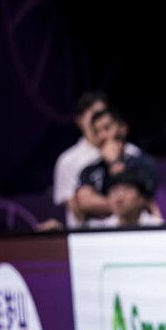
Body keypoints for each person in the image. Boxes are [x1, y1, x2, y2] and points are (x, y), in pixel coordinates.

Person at [52, 92, 140, 228]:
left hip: (130, 231)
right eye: (94, 116)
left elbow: (144, 198)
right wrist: (125, 204)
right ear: (80, 121)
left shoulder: (132, 152)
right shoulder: (68, 161)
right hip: (88, 235)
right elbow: (79, 209)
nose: (98, 121)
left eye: (103, 114)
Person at [76, 109, 159, 223]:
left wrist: (114, 162)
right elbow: (84, 202)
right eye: (97, 131)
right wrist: (124, 204)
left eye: (106, 128)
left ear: (122, 128)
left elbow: (144, 199)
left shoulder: (142, 165)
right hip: (99, 230)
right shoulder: (88, 170)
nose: (102, 135)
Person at [88, 168, 163, 228]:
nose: (120, 196)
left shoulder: (157, 227)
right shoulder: (99, 229)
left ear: (142, 199)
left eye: (127, 189)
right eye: (114, 190)